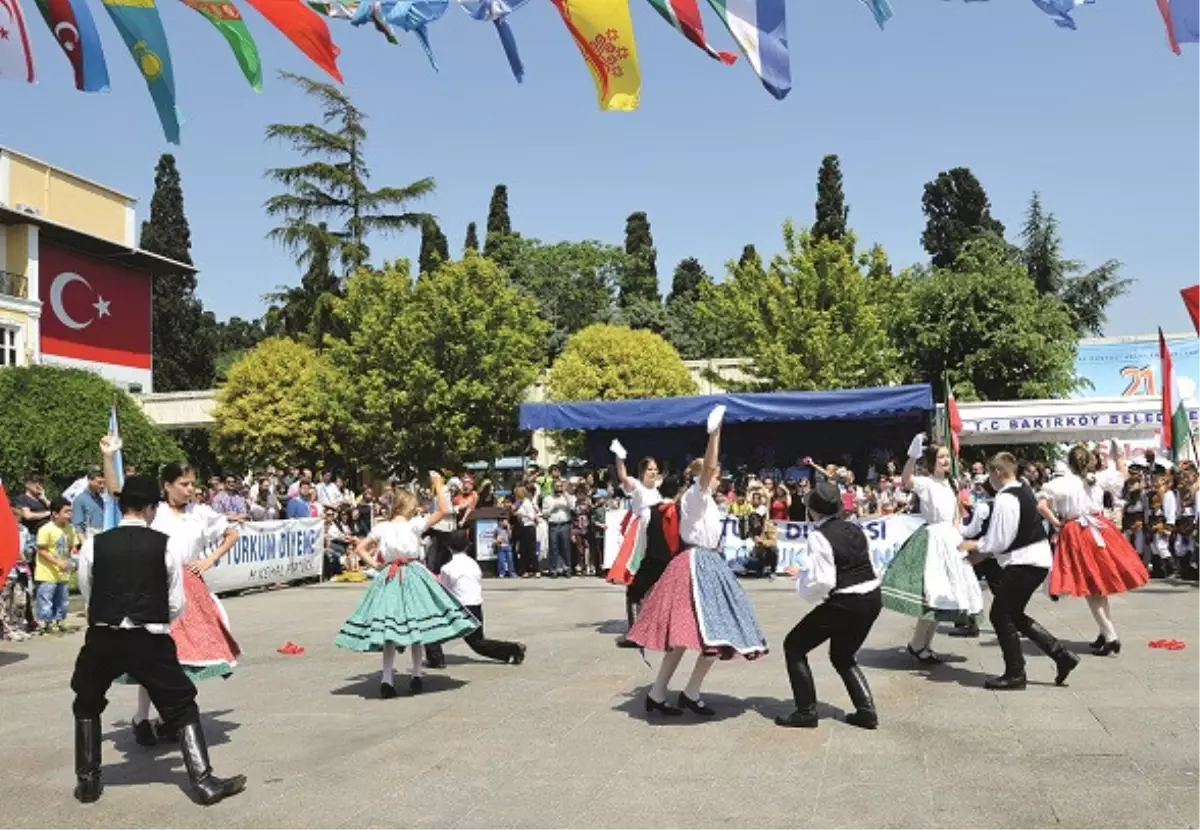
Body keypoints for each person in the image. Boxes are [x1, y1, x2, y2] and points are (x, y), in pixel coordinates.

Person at [70, 475, 245, 806]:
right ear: (151, 508)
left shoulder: (95, 543)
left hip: (104, 634)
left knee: (87, 700)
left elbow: (88, 591)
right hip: (149, 636)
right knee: (181, 705)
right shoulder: (165, 545)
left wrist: (112, 615)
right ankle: (204, 782)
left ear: (122, 507)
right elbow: (176, 603)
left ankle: (88, 782)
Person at [100, 437, 242, 747]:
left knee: (180, 660)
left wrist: (208, 560)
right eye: (184, 483)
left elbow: (232, 532)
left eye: (193, 484)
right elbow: (117, 493)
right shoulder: (154, 510)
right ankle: (142, 718)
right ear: (167, 485)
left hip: (189, 591)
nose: (191, 489)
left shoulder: (200, 513)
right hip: (153, 586)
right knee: (154, 658)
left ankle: (165, 720)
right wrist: (109, 457)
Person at [627, 405, 768, 717]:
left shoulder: (702, 500)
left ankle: (676, 693)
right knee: (710, 631)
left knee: (707, 634)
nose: (719, 478)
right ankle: (664, 692)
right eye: (716, 474)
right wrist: (715, 434)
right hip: (696, 565)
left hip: (707, 565)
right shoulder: (696, 495)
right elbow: (708, 470)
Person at [334, 473, 478, 698]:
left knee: (390, 629)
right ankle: (417, 675)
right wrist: (439, 485)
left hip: (389, 576)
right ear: (409, 506)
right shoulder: (414, 525)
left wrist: (377, 565)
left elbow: (361, 548)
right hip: (412, 574)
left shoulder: (382, 527)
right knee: (417, 625)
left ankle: (387, 680)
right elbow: (443, 511)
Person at [959, 453, 1080, 690]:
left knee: (1000, 615)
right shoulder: (1022, 489)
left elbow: (999, 541)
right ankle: (1061, 655)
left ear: (996, 473)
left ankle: (1016, 673)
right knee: (1013, 614)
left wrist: (972, 545)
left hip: (1026, 562)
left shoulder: (1005, 498)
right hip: (1034, 559)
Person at [776, 481, 882, 730]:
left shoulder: (818, 535)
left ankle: (805, 712)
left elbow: (824, 581)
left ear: (813, 511)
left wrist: (801, 579)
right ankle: (866, 712)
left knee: (794, 646)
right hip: (872, 597)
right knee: (843, 656)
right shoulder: (853, 528)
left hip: (846, 600)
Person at [879, 433, 983, 664]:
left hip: (950, 539)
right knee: (934, 593)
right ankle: (918, 644)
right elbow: (906, 480)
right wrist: (911, 456)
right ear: (932, 460)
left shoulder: (952, 482)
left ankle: (922, 644)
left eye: (947, 457)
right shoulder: (926, 483)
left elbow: (956, 512)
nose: (946, 461)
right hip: (934, 538)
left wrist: (957, 534)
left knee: (944, 596)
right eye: (941, 457)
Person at [1037, 444, 1148, 656]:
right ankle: (1104, 632)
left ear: (1069, 463)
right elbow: (1123, 473)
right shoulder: (1096, 479)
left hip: (1077, 532)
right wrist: (1118, 454)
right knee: (1099, 586)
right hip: (1100, 529)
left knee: (1092, 588)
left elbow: (1042, 506)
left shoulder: (1061, 483)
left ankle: (1110, 636)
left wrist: (1056, 522)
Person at [439, 529, 526, 665]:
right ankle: (512, 650)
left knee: (433, 628)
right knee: (478, 642)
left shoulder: (447, 568)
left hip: (460, 607)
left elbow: (443, 589)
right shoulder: (474, 564)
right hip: (476, 605)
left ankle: (435, 659)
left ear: (448, 547)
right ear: (468, 546)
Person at [607, 445, 662, 647]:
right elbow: (622, 476)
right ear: (642, 472)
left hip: (654, 535)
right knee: (635, 578)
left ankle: (649, 625)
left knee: (653, 581)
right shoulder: (637, 486)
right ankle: (635, 629)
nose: (654, 472)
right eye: (650, 469)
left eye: (655, 469)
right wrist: (620, 457)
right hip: (639, 536)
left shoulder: (657, 490)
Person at [34, 497, 79, 634]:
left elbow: (73, 546)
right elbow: (42, 550)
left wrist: (72, 559)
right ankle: (46, 624)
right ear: (55, 514)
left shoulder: (70, 528)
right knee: (46, 598)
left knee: (62, 599)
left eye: (71, 511)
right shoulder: (46, 529)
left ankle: (59, 621)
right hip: (47, 573)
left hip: (63, 573)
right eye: (66, 512)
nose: (70, 514)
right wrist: (57, 562)